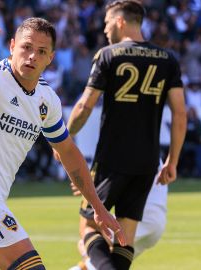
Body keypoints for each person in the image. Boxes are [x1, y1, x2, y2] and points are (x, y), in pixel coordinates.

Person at [0, 8, 125, 270]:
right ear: (12, 46)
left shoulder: (47, 100)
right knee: (30, 266)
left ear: (51, 58)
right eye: (26, 47)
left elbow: (68, 153)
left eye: (41, 51)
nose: (32, 56)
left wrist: (98, 207)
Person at [66, 1, 186, 269]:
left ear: (120, 21)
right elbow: (180, 114)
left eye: (108, 23)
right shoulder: (168, 59)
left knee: (88, 228)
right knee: (124, 237)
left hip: (112, 158)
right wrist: (172, 161)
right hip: (147, 162)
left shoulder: (109, 54)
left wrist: (63, 135)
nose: (106, 29)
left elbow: (85, 105)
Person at [69, 162, 168, 270]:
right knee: (118, 246)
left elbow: (66, 150)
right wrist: (172, 159)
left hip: (117, 159)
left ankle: (88, 262)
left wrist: (84, 179)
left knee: (88, 233)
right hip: (149, 164)